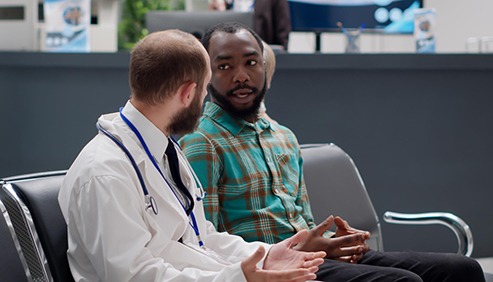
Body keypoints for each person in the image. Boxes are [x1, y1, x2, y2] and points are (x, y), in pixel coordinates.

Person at [179, 22, 486, 281]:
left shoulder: (283, 136)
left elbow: (302, 222)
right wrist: (299, 249)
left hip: (315, 256)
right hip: (275, 267)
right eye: (224, 66)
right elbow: (205, 243)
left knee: (463, 270)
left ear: (264, 65)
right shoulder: (202, 143)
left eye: (251, 62)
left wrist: (331, 241)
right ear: (206, 73)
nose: (241, 75)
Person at [57, 29, 328, 282]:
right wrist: (236, 277)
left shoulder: (163, 149)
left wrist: (266, 255)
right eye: (204, 89)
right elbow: (133, 275)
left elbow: (200, 237)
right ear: (188, 93)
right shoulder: (105, 172)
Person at [209, 0, 291, 49]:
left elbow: (282, 34)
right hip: (231, 53)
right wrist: (220, 12)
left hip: (262, 56)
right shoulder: (227, 3)